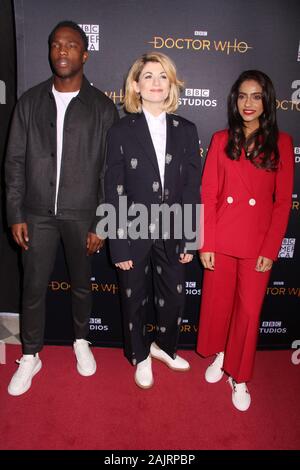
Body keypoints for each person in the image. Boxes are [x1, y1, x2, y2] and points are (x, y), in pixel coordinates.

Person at [5, 20, 119, 396]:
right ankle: (31, 354)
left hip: (83, 212)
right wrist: (16, 213)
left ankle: (81, 340)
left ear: (84, 54)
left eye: (71, 45)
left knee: (82, 284)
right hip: (35, 213)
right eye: (56, 45)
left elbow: (109, 171)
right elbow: (15, 162)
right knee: (33, 286)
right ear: (50, 51)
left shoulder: (102, 108)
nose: (63, 51)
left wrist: (103, 221)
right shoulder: (29, 101)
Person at [197, 70, 294, 411]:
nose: (248, 103)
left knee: (249, 312)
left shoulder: (281, 143)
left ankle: (238, 376)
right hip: (222, 237)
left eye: (256, 96)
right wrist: (205, 242)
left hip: (256, 243)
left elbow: (283, 203)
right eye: (242, 96)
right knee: (219, 305)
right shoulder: (220, 139)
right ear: (234, 100)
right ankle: (223, 355)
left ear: (267, 101)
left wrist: (271, 248)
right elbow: (208, 193)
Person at [105, 52, 201, 389]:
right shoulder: (120, 130)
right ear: (136, 85)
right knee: (133, 298)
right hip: (132, 227)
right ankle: (140, 356)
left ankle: (164, 346)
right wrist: (118, 245)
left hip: (174, 227)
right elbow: (113, 189)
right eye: (148, 76)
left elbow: (192, 186)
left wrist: (191, 236)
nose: (156, 83)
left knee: (174, 298)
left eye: (163, 76)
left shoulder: (186, 130)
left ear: (171, 84)